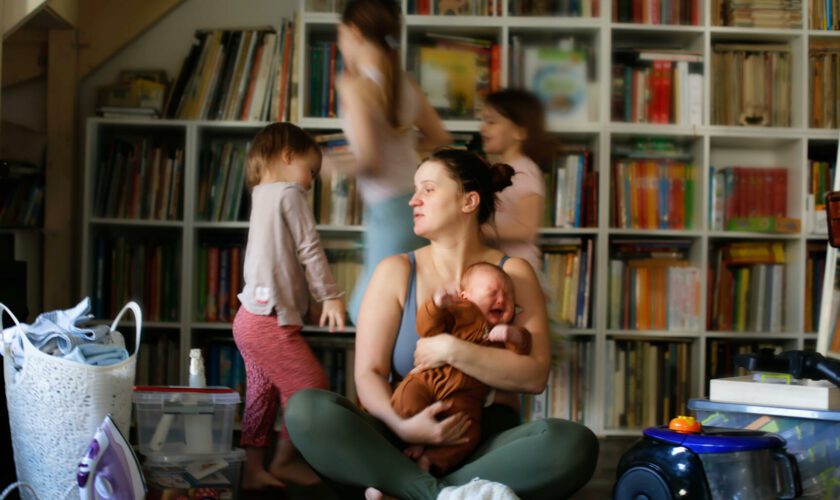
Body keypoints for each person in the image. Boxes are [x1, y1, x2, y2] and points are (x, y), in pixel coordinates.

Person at [285, 148, 599, 500]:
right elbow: (368, 373)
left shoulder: (514, 273)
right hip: (397, 435)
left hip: (481, 441)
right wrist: (405, 425)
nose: (413, 200)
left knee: (574, 444)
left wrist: (450, 348)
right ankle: (449, 494)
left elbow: (534, 375)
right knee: (307, 410)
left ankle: (404, 490)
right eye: (415, 189)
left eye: (428, 189)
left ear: (469, 201)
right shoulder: (396, 271)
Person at [233, 122, 346, 490]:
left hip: (248, 319)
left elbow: (278, 265)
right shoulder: (289, 193)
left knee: (261, 400)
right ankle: (285, 459)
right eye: (310, 170)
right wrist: (329, 295)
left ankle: (253, 472)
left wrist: (302, 305)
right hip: (267, 320)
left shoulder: (262, 195)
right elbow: (308, 248)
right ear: (286, 155)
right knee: (310, 386)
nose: (310, 182)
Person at [331, 0, 452, 324]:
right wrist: (407, 147)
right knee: (409, 307)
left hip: (388, 211)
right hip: (417, 205)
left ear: (353, 32)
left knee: (370, 314)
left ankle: (379, 375)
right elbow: (440, 136)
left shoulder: (354, 87)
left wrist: (331, 166)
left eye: (339, 35)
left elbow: (370, 161)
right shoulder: (406, 84)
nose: (340, 43)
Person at [392, 261, 532, 475]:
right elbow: (427, 328)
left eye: (508, 296)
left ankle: (430, 461)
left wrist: (513, 335)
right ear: (466, 297)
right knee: (406, 397)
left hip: (465, 396)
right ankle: (410, 444)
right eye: (492, 293)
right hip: (428, 379)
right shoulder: (457, 313)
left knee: (468, 432)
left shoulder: (505, 330)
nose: (502, 299)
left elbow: (523, 347)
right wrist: (435, 306)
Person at [480, 89, 551, 275]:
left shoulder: (524, 171)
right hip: (499, 270)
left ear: (520, 132)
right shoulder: (497, 170)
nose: (483, 128)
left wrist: (481, 231)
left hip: (519, 274)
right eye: (484, 121)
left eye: (491, 122)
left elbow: (526, 229)